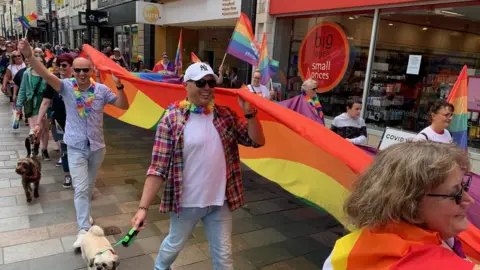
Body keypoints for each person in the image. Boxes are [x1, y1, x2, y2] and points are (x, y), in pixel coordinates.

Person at [131, 62, 265, 270]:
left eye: (211, 82)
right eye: (201, 82)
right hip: (187, 203)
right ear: (186, 85)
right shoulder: (171, 120)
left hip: (220, 201)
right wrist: (142, 209)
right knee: (174, 245)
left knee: (224, 257)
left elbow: (256, 141)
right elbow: (158, 168)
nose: (207, 87)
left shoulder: (225, 115)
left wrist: (250, 115)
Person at [17, 38, 130, 248]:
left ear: (92, 70)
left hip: (97, 148)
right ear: (73, 71)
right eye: (77, 70)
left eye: (85, 70)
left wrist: (120, 85)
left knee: (88, 187)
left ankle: (85, 218)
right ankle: (83, 230)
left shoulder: (102, 91)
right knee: (80, 188)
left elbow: (124, 105)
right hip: (76, 146)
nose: (81, 74)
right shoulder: (66, 87)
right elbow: (45, 73)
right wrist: (29, 55)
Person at [323, 141, 480, 268]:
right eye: (455, 193)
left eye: (464, 187)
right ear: (411, 206)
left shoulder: (346, 251)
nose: (469, 200)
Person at [34, 53, 74, 188]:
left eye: (64, 65)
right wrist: (38, 123)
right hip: (59, 120)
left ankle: (79, 174)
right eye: (58, 65)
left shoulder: (78, 81)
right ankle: (68, 174)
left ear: (71, 66)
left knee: (77, 148)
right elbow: (45, 102)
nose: (60, 68)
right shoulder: (53, 82)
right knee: (64, 148)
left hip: (76, 122)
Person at [16, 54, 50, 159]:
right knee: (37, 127)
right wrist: (18, 104)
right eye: (36, 61)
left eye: (40, 61)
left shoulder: (47, 74)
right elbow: (22, 89)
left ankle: (44, 149)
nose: (38, 64)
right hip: (32, 104)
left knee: (45, 128)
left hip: (45, 103)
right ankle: (34, 146)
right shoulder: (27, 73)